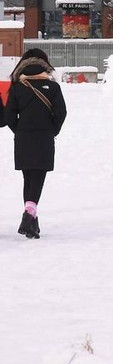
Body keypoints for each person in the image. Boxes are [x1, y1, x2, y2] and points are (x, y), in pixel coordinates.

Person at [6, 52, 67, 240]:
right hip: (44, 137)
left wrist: (20, 130)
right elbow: (61, 112)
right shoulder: (54, 87)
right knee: (38, 177)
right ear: (45, 67)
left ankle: (32, 221)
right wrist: (52, 130)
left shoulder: (17, 88)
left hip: (23, 137)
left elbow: (9, 116)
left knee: (28, 177)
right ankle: (28, 216)